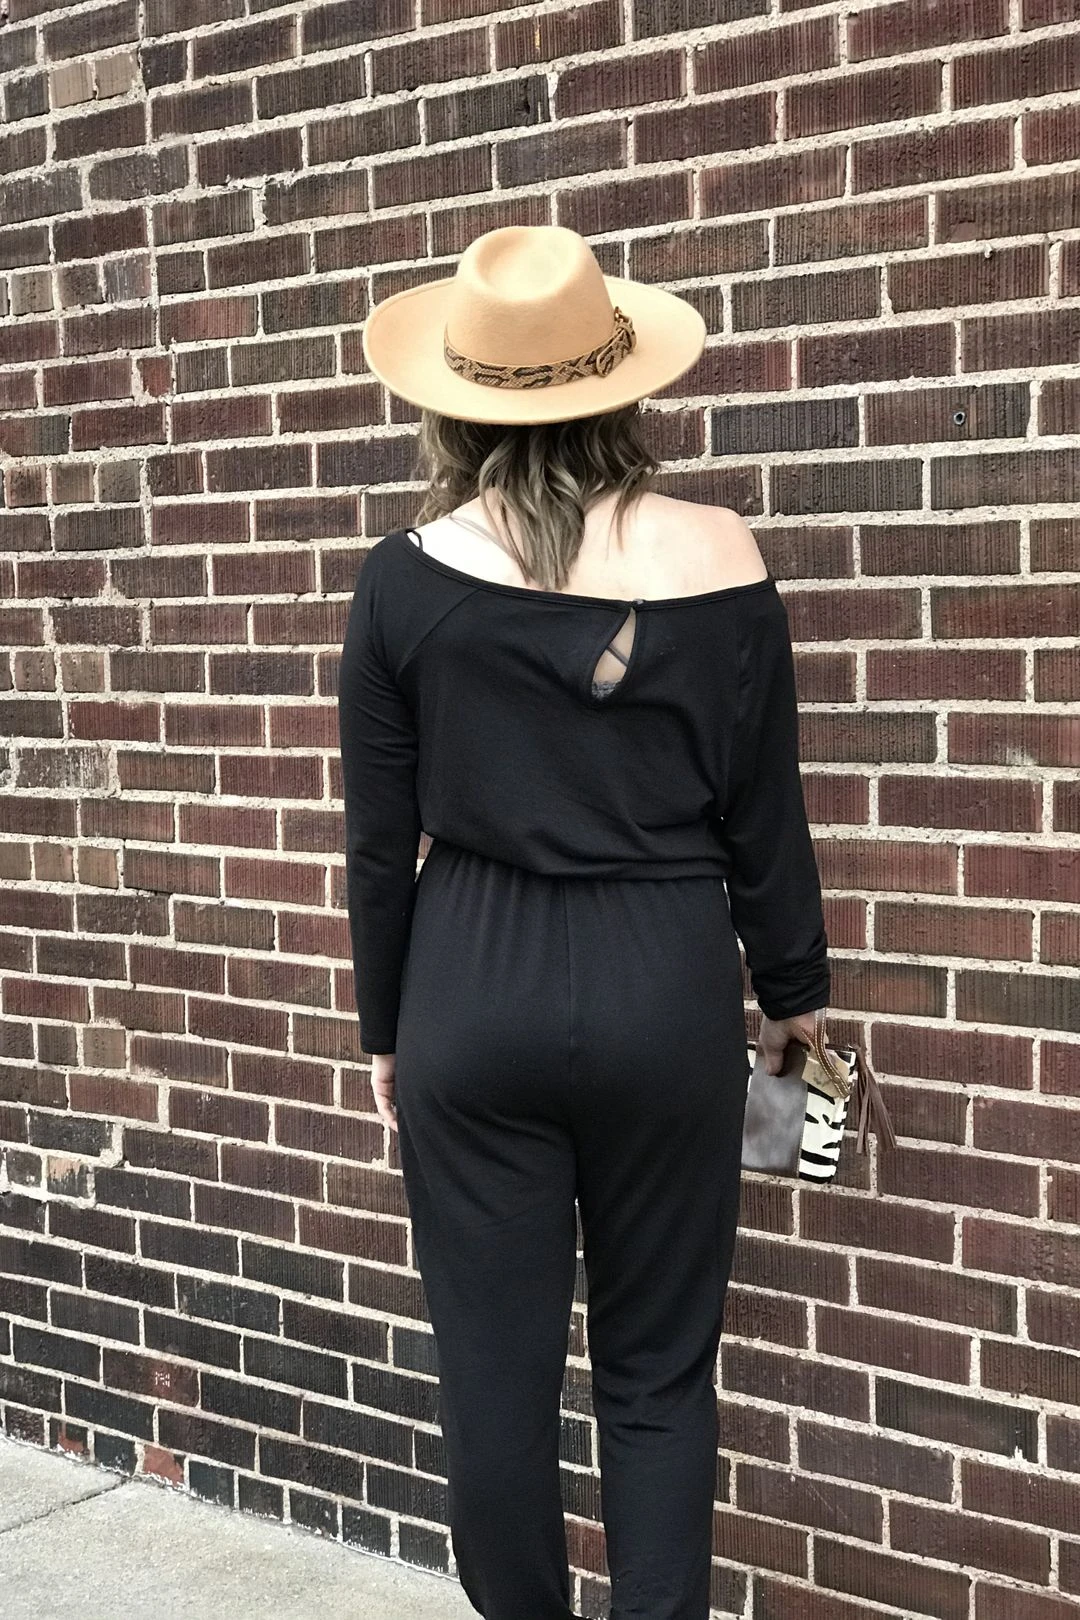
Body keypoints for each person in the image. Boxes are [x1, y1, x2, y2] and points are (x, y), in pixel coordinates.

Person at [337, 225, 830, 1620]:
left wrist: (386, 1030)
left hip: (469, 985)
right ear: (621, 385)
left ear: (460, 401)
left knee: (492, 1380)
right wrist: (795, 995)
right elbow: (765, 815)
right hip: (665, 982)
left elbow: (378, 846)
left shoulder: (401, 580)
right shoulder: (723, 553)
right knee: (659, 1373)